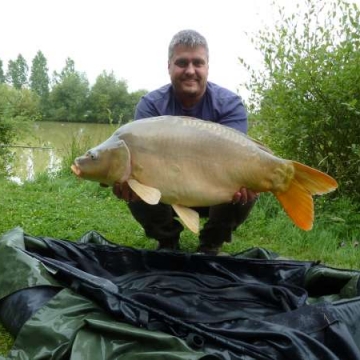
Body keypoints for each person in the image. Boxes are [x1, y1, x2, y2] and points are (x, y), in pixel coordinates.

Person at [112, 29, 258, 255]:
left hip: (215, 192)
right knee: (134, 179)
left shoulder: (229, 104)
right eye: (182, 63)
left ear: (207, 66)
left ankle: (210, 245)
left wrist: (247, 180)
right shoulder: (151, 106)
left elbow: (238, 157)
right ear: (169, 66)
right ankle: (167, 241)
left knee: (246, 189)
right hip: (167, 191)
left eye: (198, 63)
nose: (190, 71)